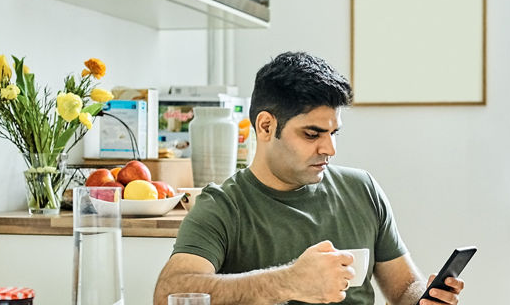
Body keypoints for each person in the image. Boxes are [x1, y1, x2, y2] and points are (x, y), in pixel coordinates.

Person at [153, 52, 466, 305]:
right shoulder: (223, 206)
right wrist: (287, 281)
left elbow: (404, 287)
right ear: (265, 127)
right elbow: (169, 293)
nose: (329, 148)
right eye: (312, 133)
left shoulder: (362, 189)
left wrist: (424, 299)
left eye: (333, 133)